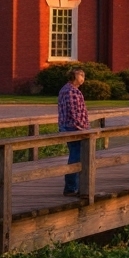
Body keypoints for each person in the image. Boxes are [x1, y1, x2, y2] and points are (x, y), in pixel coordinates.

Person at [57, 67, 89, 196]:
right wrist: (83, 128)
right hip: (74, 128)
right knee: (76, 157)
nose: (83, 78)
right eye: (81, 75)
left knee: (76, 156)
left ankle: (73, 186)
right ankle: (71, 187)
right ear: (74, 77)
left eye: (83, 75)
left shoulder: (67, 89)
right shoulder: (71, 91)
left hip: (68, 126)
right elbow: (75, 113)